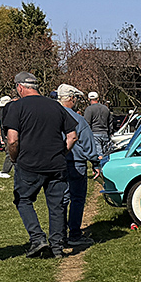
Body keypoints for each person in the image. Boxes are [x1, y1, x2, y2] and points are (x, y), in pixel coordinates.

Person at [2, 71, 78, 258]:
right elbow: (73, 136)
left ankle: (37, 239)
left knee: (23, 200)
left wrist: (13, 158)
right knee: (57, 205)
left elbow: (12, 140)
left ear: (20, 87)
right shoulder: (56, 106)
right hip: (56, 164)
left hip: (29, 164)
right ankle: (57, 246)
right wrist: (62, 152)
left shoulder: (16, 107)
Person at [57, 84, 97, 247]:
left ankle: (59, 234)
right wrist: (95, 161)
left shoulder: (51, 116)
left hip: (57, 162)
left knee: (60, 199)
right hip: (76, 163)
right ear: (71, 98)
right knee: (77, 198)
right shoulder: (77, 119)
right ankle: (74, 233)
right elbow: (87, 142)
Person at [83, 91, 112, 164]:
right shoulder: (106, 109)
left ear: (89, 99)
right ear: (98, 98)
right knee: (106, 153)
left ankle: (99, 168)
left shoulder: (89, 109)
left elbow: (87, 123)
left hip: (95, 133)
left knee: (99, 154)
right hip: (105, 133)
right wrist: (110, 132)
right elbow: (110, 122)